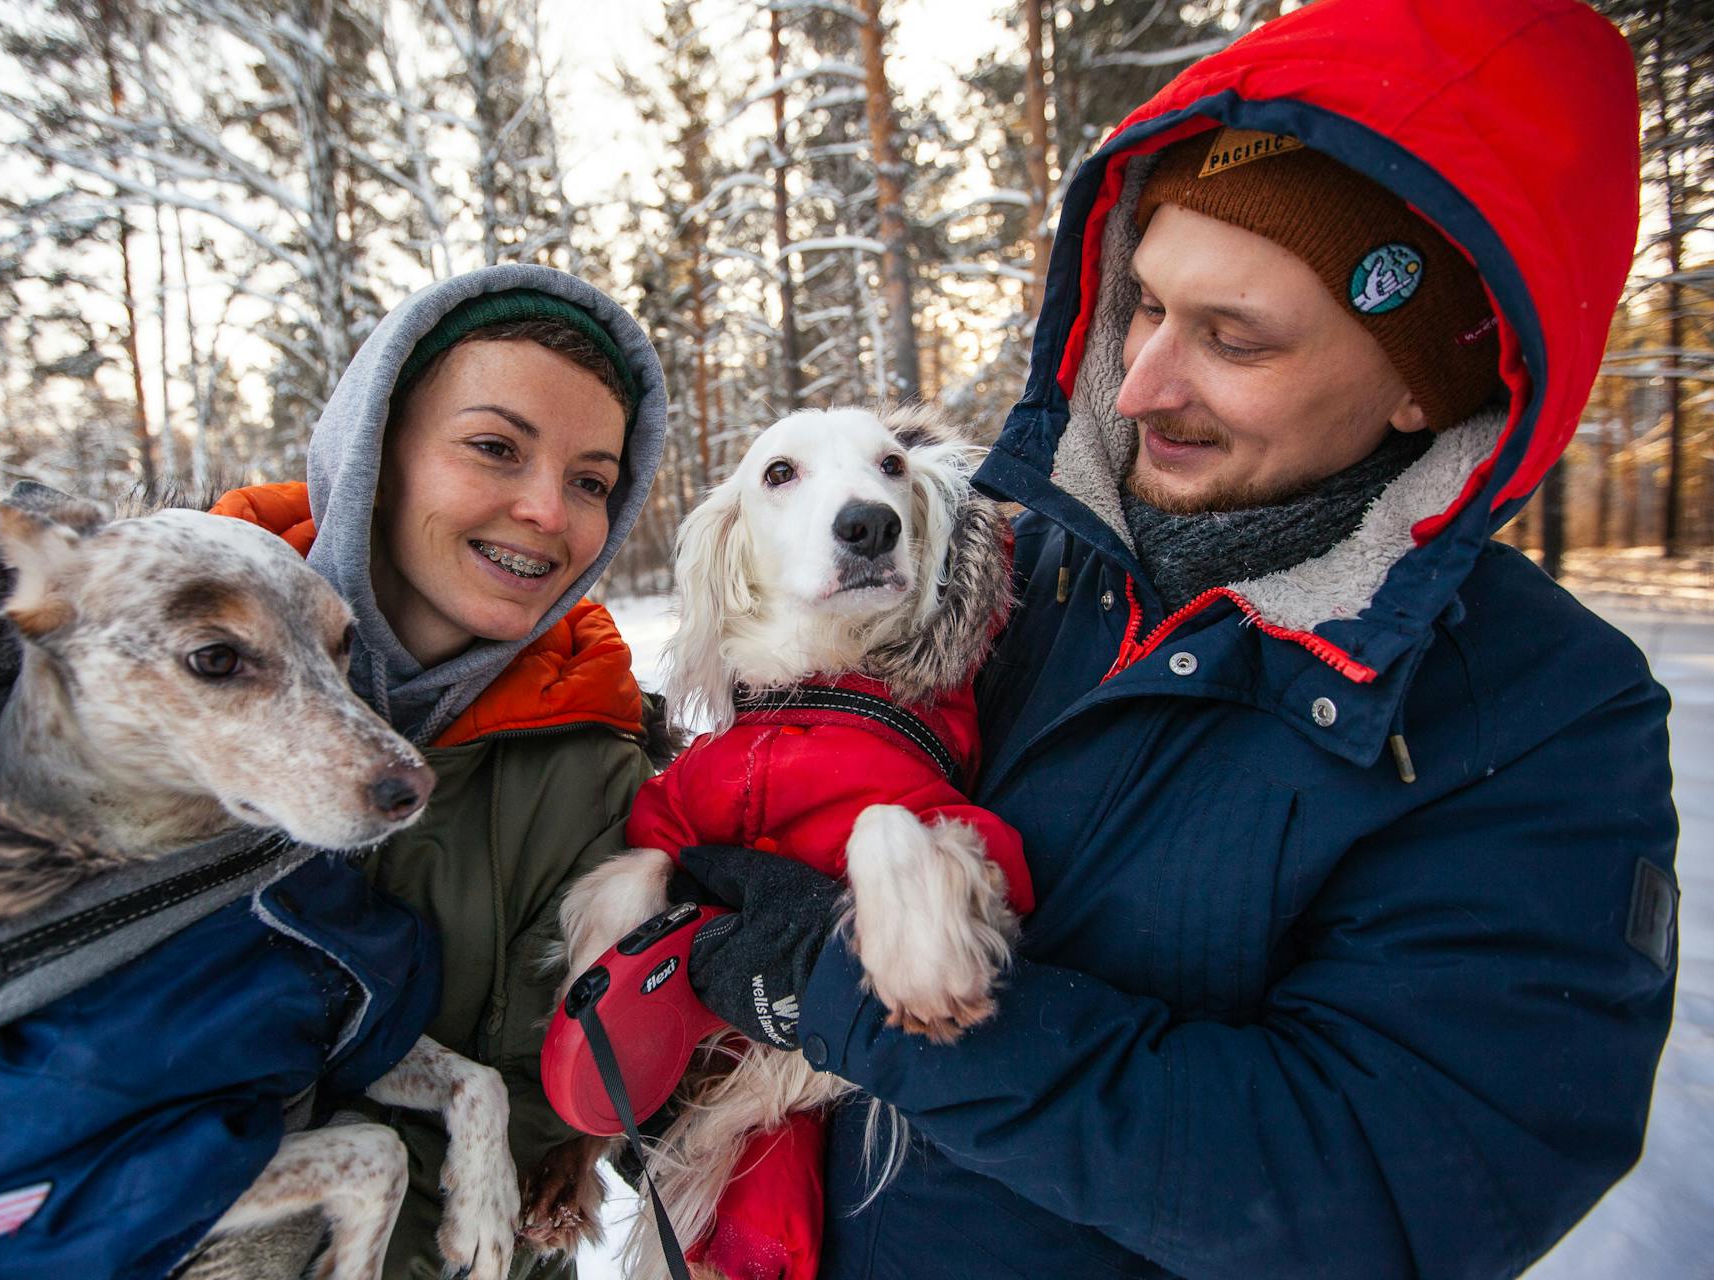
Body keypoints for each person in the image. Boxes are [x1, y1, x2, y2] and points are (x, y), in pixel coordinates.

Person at [670, 2, 1681, 1276]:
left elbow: (1377, 1191)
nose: (1140, 379)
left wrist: (845, 992)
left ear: (1425, 380)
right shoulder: (1022, 574)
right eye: (1143, 303)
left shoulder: (1539, 717)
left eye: (1232, 337)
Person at [0, 266, 668, 1280]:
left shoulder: (600, 768)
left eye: (594, 479)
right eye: (494, 446)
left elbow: (561, 1098)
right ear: (375, 451)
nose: (546, 509)